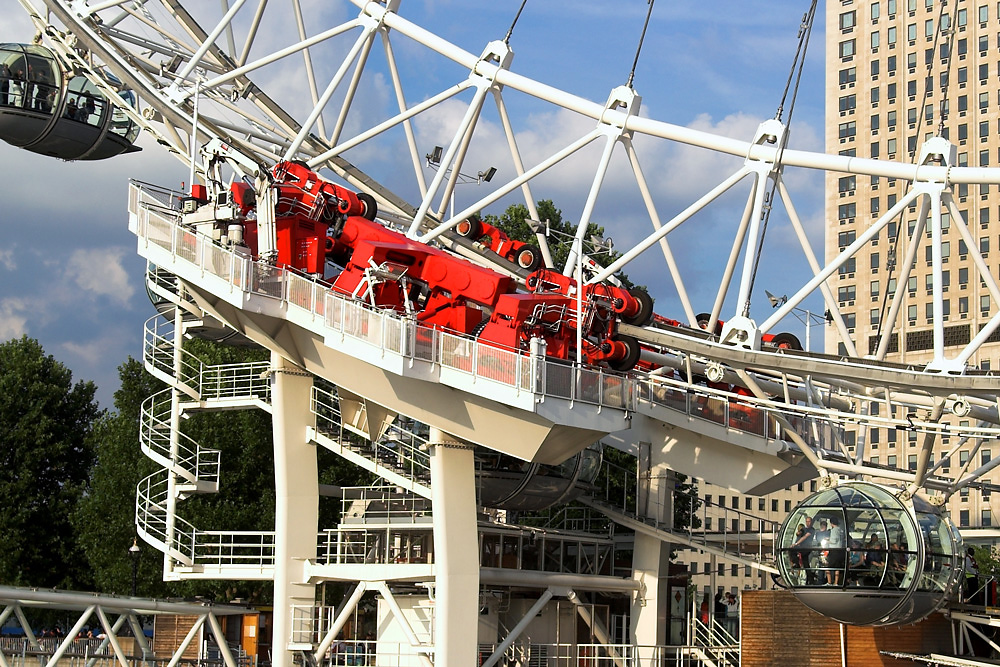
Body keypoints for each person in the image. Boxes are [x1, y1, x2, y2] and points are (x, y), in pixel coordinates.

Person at [827, 516, 845, 586]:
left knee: (827, 567)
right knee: (837, 568)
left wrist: (827, 541)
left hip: (833, 551)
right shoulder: (840, 530)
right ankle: (836, 582)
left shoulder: (833, 530)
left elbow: (833, 541)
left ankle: (829, 582)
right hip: (839, 551)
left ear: (831, 523)